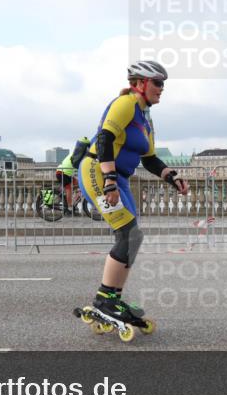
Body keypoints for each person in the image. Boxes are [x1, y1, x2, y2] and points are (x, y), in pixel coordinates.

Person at [77, 60, 189, 329]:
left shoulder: (145, 118)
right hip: (98, 172)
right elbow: (104, 139)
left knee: (133, 236)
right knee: (127, 233)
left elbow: (149, 160)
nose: (162, 88)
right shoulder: (126, 103)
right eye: (157, 83)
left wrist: (171, 177)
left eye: (163, 83)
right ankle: (105, 299)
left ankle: (111, 297)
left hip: (120, 178)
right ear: (139, 84)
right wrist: (110, 182)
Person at [56, 137, 89, 215]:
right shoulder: (78, 155)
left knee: (81, 185)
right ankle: (69, 208)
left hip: (66, 173)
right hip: (62, 173)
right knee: (69, 189)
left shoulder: (78, 153)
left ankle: (72, 202)